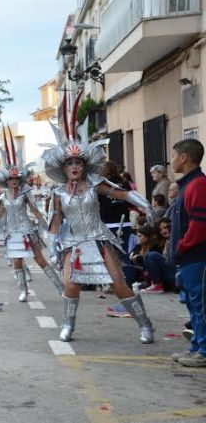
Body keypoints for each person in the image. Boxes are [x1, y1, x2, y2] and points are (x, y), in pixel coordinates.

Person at [43, 96, 156, 344]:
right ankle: (67, 325)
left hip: (99, 239)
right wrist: (52, 244)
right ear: (63, 167)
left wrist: (143, 202)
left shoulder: (95, 183)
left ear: (84, 165)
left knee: (119, 285)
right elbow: (56, 220)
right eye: (70, 162)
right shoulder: (59, 193)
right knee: (71, 286)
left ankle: (145, 324)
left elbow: (121, 192)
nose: (74, 166)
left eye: (78, 162)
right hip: (74, 244)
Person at [0, 128, 64, 302]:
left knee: (39, 259)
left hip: (26, 230)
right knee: (17, 262)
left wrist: (45, 227)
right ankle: (23, 290)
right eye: (12, 180)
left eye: (17, 180)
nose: (14, 182)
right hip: (12, 232)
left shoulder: (26, 193)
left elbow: (35, 210)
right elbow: (0, 214)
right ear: (7, 181)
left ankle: (60, 287)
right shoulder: (2, 196)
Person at [168, 138, 206, 367]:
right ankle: (196, 347)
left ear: (184, 157)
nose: (171, 160)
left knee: (200, 305)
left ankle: (203, 351)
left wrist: (181, 246)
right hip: (188, 258)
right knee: (193, 305)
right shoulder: (189, 184)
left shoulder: (198, 185)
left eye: (174, 155)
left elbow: (199, 226)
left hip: (197, 257)